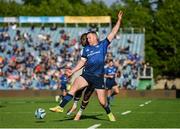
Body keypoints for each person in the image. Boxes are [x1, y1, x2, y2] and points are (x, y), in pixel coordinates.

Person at [49, 11, 123, 121]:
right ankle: (60, 107)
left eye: (89, 37)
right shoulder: (86, 49)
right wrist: (73, 71)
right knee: (73, 88)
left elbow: (113, 32)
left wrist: (119, 21)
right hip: (87, 74)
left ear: (95, 37)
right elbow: (82, 62)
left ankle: (109, 112)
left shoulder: (103, 44)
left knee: (102, 102)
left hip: (98, 77)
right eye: (87, 38)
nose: (87, 39)